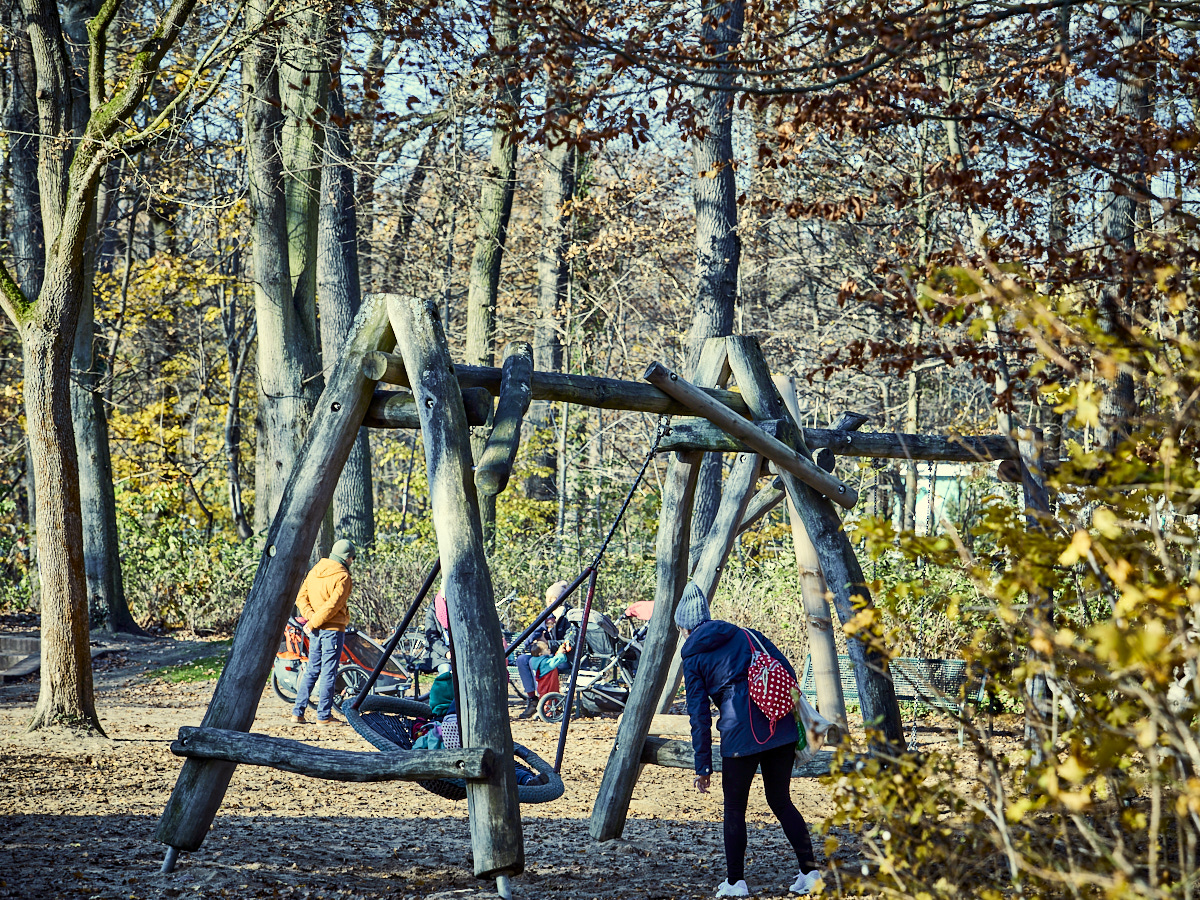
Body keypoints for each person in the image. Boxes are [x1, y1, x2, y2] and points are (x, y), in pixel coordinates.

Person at [675, 582, 821, 897]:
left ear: (683, 628)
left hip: (739, 737)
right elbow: (788, 673)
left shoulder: (693, 659)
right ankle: (810, 873)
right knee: (781, 801)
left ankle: (735, 882)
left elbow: (698, 716)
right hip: (777, 727)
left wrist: (702, 765)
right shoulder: (747, 635)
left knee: (734, 809)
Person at [290, 539, 356, 726]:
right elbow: (333, 606)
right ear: (346, 557)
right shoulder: (343, 577)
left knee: (311, 670)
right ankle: (324, 716)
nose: (352, 561)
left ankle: (297, 713)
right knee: (328, 672)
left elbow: (301, 598)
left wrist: (311, 619)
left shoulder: (315, 570)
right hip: (332, 630)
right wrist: (313, 622)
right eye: (352, 557)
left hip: (316, 629)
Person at [514, 581, 571, 719]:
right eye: (548, 599)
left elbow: (569, 641)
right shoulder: (546, 615)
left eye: (553, 598)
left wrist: (548, 644)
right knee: (522, 660)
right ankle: (533, 700)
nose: (549, 601)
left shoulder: (569, 615)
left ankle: (549, 702)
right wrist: (525, 645)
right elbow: (534, 631)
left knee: (545, 665)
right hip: (545, 655)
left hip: (563, 657)